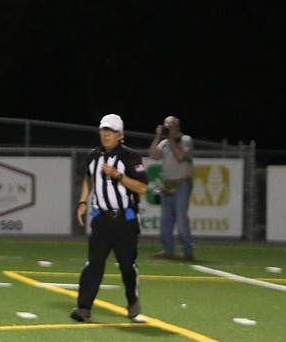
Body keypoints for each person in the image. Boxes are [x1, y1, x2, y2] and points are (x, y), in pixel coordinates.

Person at [72, 114, 149, 323]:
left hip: (125, 219)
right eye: (103, 130)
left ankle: (132, 299)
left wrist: (118, 176)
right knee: (94, 264)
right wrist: (82, 201)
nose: (106, 135)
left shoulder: (130, 157)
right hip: (102, 220)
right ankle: (83, 308)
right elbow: (88, 178)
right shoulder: (93, 156)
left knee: (126, 265)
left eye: (111, 131)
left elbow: (142, 187)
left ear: (120, 135)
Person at [149, 115, 195, 261]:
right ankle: (167, 249)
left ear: (177, 126)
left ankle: (188, 251)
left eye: (170, 125)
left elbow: (180, 156)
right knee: (165, 221)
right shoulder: (164, 143)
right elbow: (153, 154)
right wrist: (158, 136)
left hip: (182, 184)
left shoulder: (185, 140)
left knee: (181, 219)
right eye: (166, 126)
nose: (168, 128)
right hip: (167, 184)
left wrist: (172, 138)